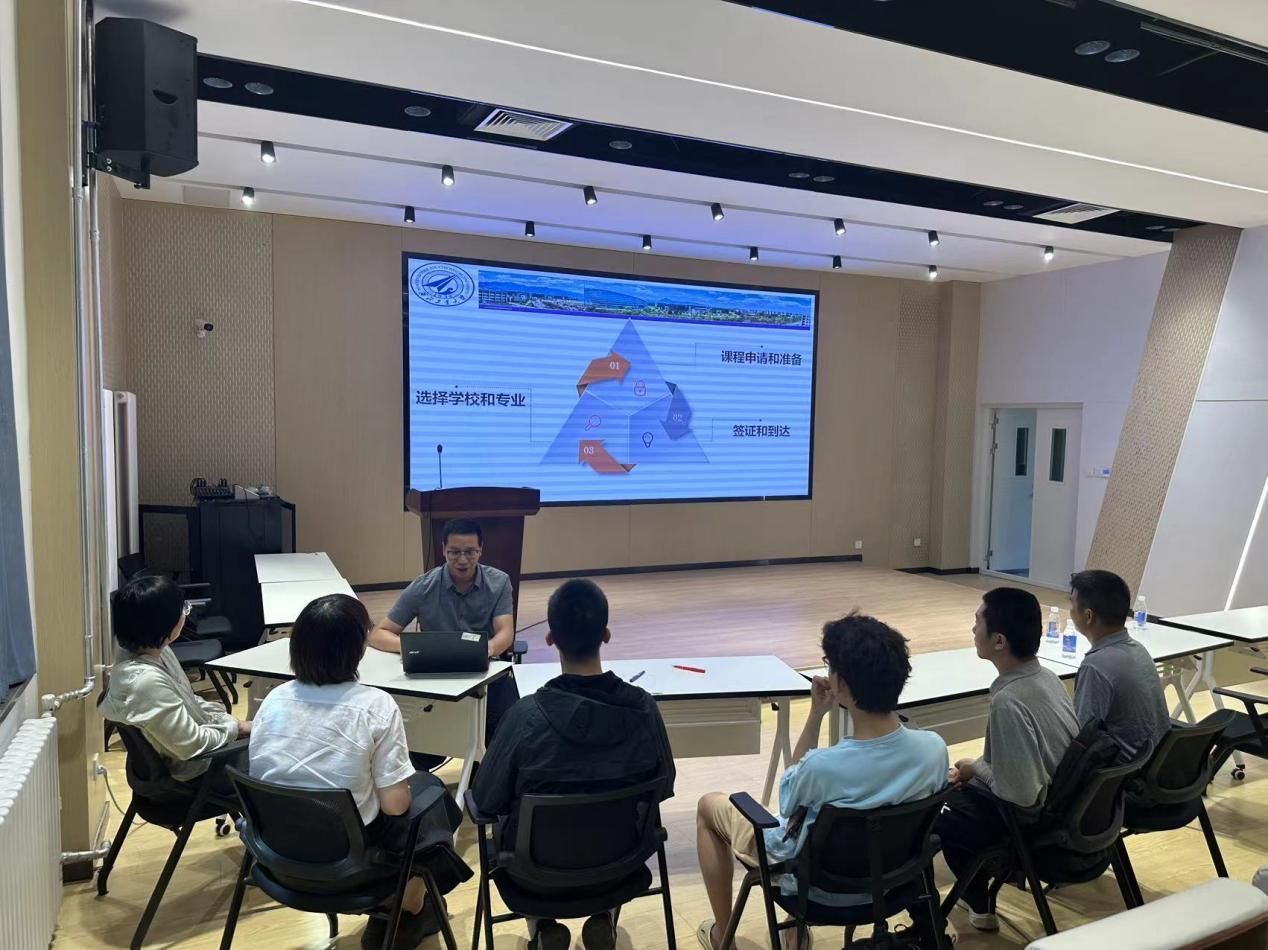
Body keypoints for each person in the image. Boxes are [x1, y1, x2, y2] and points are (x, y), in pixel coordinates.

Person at [695, 613, 948, 950]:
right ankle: (794, 935)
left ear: (840, 683)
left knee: (709, 806)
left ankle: (722, 935)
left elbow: (789, 804)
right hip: (890, 887)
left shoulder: (824, 767)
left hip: (815, 892)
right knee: (813, 828)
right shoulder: (934, 749)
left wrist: (816, 714)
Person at [249, 594, 471, 949]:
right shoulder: (375, 706)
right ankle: (407, 909)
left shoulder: (274, 699)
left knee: (419, 805)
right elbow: (395, 806)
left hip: (275, 854)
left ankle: (401, 912)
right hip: (348, 865)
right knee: (431, 799)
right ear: (357, 648)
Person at [471, 578, 674, 950]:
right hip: (620, 869)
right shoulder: (644, 709)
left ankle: (543, 928)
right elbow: (664, 785)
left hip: (535, 880)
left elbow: (484, 801)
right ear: (606, 635)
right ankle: (604, 918)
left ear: (551, 638)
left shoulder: (525, 716)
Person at [934, 588, 1078, 935]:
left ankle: (978, 900)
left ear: (999, 641)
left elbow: (1020, 794)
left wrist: (974, 768)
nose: (973, 629)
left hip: (1033, 825)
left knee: (944, 805)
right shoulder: (1047, 678)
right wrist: (978, 769)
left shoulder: (1009, 701)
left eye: (977, 621)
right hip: (1067, 811)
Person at [368, 518, 518, 739]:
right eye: (454, 552)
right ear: (443, 550)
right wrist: (416, 647)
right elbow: (378, 634)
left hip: (482, 670)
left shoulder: (499, 582)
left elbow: (506, 633)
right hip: (434, 673)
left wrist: (489, 648)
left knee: (505, 729)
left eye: (470, 552)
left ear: (481, 550)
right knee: (421, 739)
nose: (463, 560)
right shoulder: (423, 586)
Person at [101, 575, 248, 795]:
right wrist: (235, 729)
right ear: (165, 622)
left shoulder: (157, 650)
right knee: (274, 762)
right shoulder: (145, 682)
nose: (185, 615)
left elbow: (189, 700)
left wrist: (227, 721)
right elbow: (190, 745)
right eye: (183, 610)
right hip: (193, 777)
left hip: (198, 757)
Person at [1069, 569, 1169, 762]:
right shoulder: (1138, 649)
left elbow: (1080, 736)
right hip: (1155, 764)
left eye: (1072, 604)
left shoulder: (1096, 665)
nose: (1071, 611)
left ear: (1088, 616)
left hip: (1122, 772)